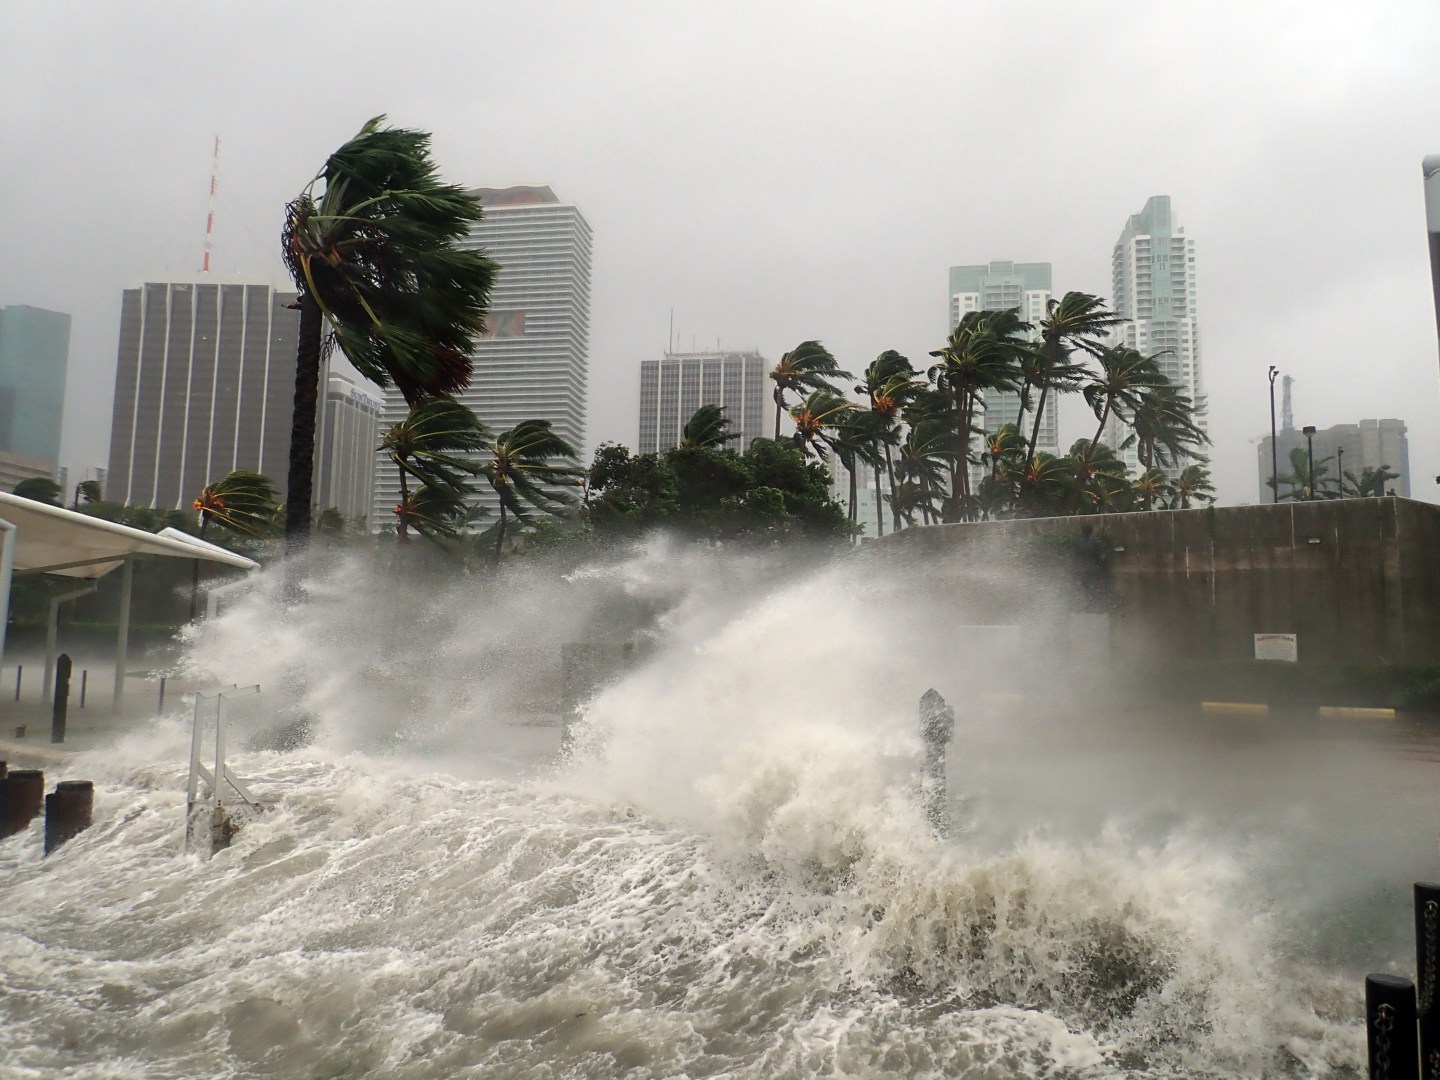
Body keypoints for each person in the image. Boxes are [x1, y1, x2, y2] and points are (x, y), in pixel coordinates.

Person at [1070, 523, 1109, 612]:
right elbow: (1100, 557)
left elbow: (1074, 558)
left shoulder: (1078, 543)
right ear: (1091, 531)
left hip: (1082, 569)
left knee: (1085, 588)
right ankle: (1093, 606)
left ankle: (1086, 606)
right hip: (1093, 569)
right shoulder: (1096, 543)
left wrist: (1074, 570)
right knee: (1094, 588)